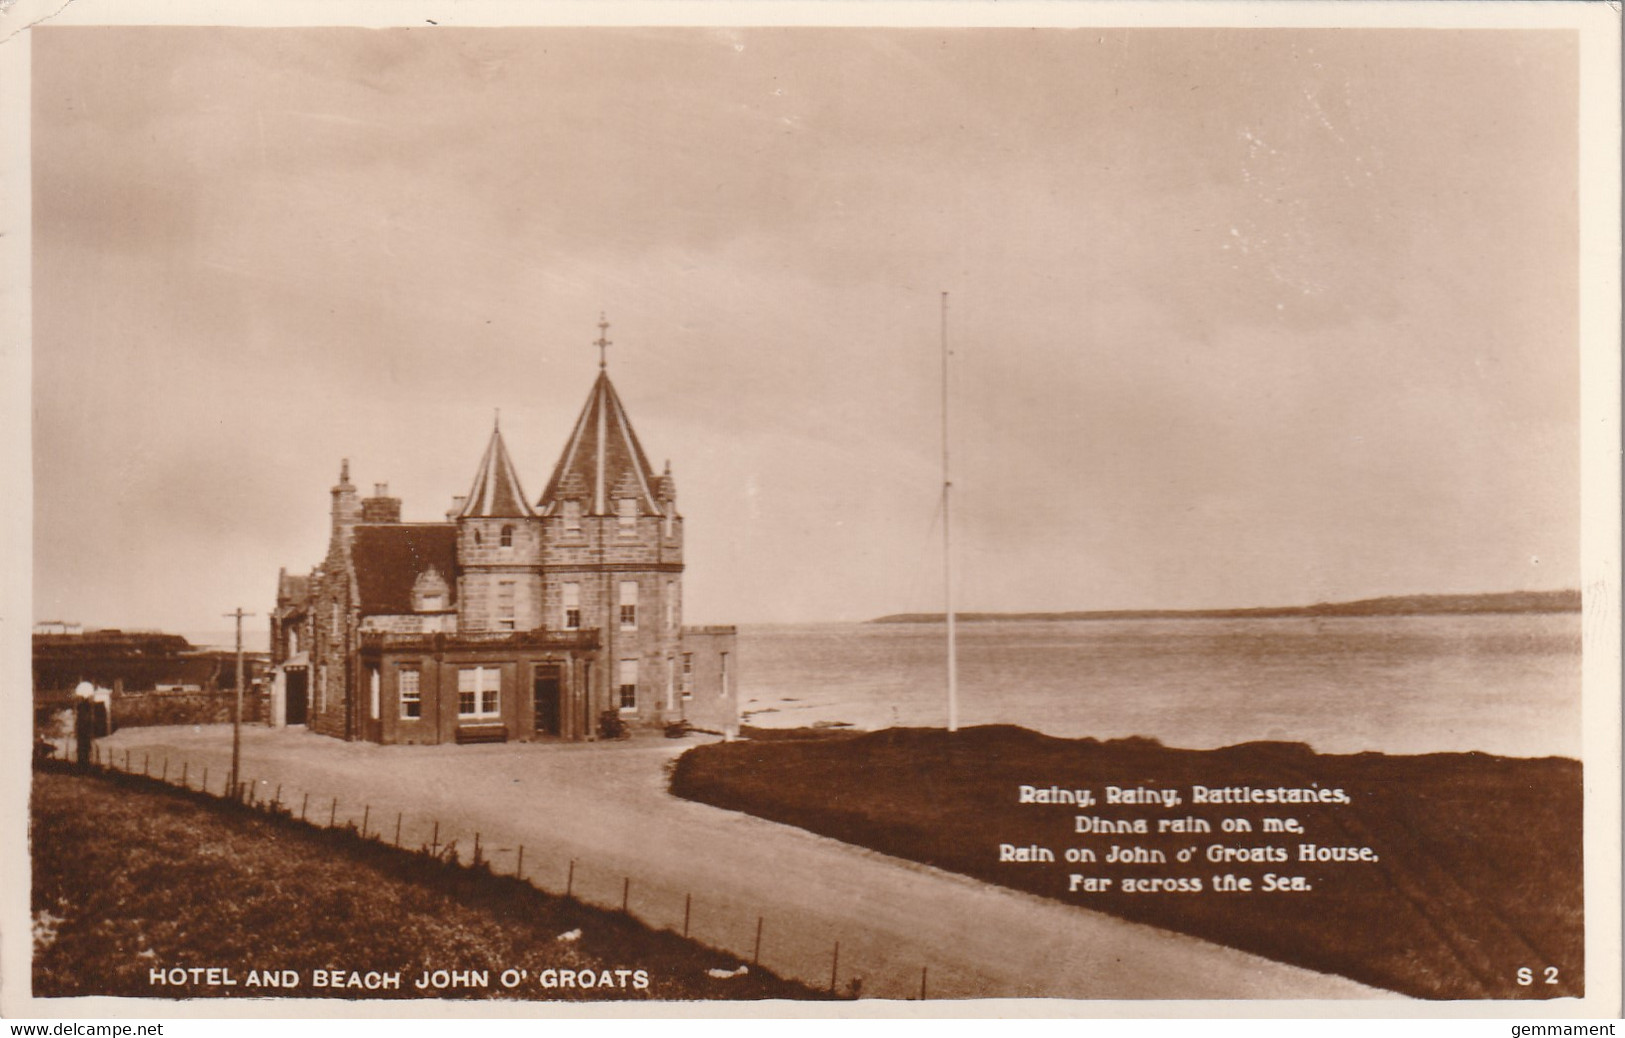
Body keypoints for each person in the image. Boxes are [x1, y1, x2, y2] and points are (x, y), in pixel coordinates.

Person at [73, 681, 96, 771]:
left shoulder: (82, 707)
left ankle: (83, 765)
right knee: (84, 748)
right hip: (84, 731)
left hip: (82, 730)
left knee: (83, 748)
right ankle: (84, 765)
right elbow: (86, 721)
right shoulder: (85, 708)